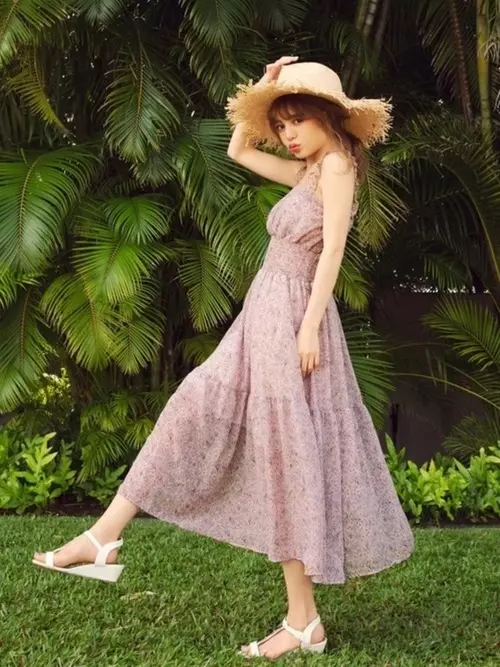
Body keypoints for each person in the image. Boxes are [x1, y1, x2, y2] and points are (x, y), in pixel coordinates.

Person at [32, 56, 415, 660]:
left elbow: (334, 251)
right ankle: (104, 537)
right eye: (281, 124)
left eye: (297, 120)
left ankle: (302, 622)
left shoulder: (339, 166)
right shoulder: (307, 172)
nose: (287, 133)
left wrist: (309, 328)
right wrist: (262, 91)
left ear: (328, 117)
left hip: (295, 318)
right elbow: (238, 149)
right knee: (195, 408)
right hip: (263, 315)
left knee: (287, 456)